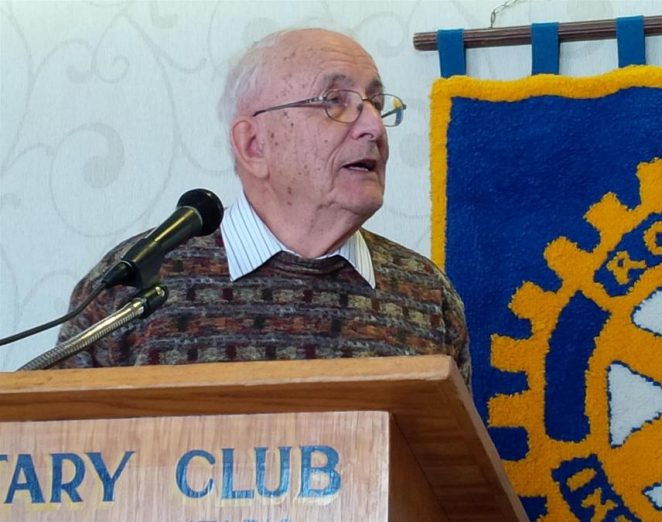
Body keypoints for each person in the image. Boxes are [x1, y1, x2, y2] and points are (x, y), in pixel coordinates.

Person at [55, 28, 470, 386]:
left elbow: (456, 472)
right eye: (334, 101)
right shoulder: (136, 281)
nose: (374, 127)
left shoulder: (426, 293)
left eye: (376, 104)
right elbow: (52, 456)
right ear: (254, 145)